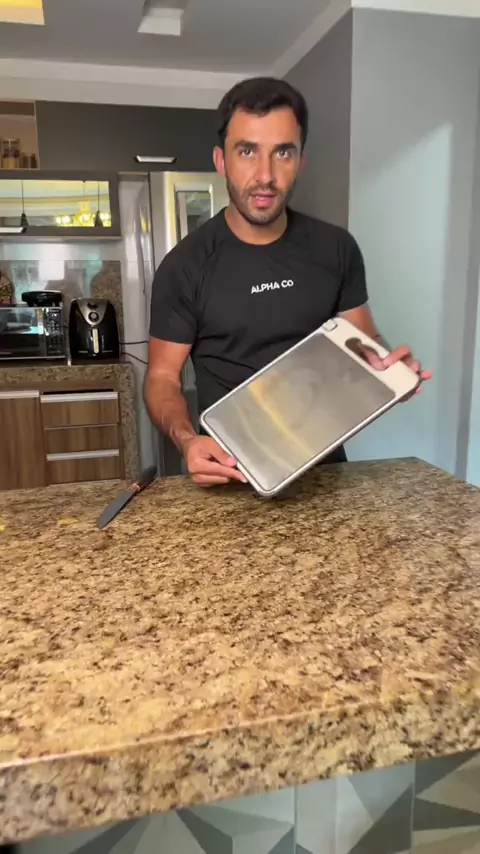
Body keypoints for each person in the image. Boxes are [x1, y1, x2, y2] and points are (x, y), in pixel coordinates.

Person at [145, 77, 431, 487]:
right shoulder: (184, 266)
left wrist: (388, 371)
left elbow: (364, 341)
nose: (265, 175)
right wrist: (187, 439)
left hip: (328, 475)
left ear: (300, 160)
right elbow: (161, 379)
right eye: (247, 151)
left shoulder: (336, 248)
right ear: (221, 160)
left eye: (282, 152)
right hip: (231, 475)